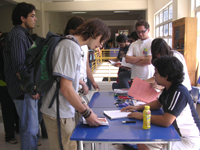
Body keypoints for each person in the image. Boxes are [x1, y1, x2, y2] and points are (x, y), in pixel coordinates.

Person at [40, 18, 111, 150]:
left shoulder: (73, 45)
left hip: (63, 109)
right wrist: (87, 114)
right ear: (95, 33)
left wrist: (86, 108)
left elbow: (70, 85)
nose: (101, 46)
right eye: (102, 41)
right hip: (58, 111)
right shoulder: (70, 47)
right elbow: (66, 89)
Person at [121, 56, 200, 150]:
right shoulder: (169, 88)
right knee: (141, 142)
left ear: (166, 76)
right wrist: (138, 108)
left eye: (156, 72)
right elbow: (158, 103)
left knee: (144, 144)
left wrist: (142, 116)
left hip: (187, 141)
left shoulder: (179, 92)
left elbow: (166, 121)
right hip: (175, 133)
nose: (154, 75)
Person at [3, 2, 40, 150]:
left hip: (25, 89)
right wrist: (31, 89)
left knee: (31, 127)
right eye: (32, 16)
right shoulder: (18, 35)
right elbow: (20, 68)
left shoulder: (22, 34)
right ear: (22, 18)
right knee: (29, 129)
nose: (35, 19)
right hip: (23, 91)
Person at [0, 32, 19, 144]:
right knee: (9, 111)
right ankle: (10, 135)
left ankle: (13, 133)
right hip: (5, 84)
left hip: (8, 83)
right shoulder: (6, 50)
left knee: (12, 110)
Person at [125, 20, 154, 87]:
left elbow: (149, 61)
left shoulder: (152, 42)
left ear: (148, 30)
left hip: (148, 78)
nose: (140, 34)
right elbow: (127, 59)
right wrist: (142, 57)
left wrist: (134, 60)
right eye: (138, 32)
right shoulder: (134, 44)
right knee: (133, 97)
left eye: (143, 31)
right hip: (135, 78)